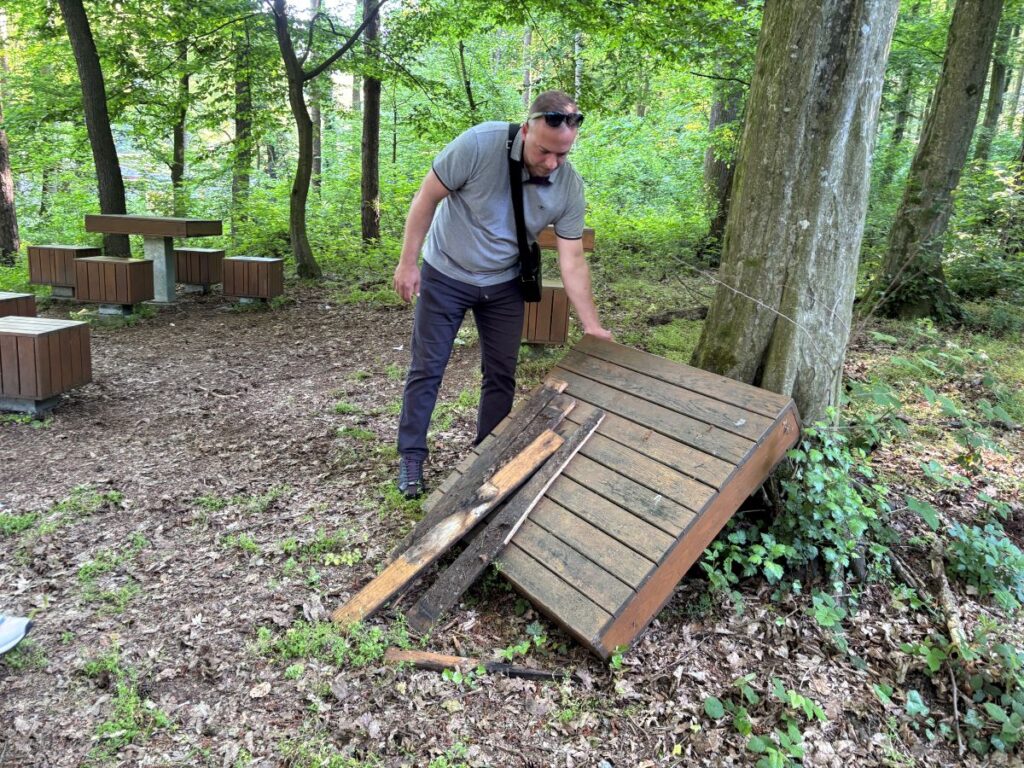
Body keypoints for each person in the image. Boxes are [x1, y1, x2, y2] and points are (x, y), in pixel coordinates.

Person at [392, 90, 612, 499]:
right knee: (428, 368)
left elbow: (572, 261)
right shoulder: (479, 144)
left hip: (505, 283)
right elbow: (426, 198)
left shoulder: (569, 187)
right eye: (544, 151)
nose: (552, 163)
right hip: (446, 273)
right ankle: (411, 456)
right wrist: (408, 263)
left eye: (562, 155)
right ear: (526, 130)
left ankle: (485, 455)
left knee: (501, 374)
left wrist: (592, 325)